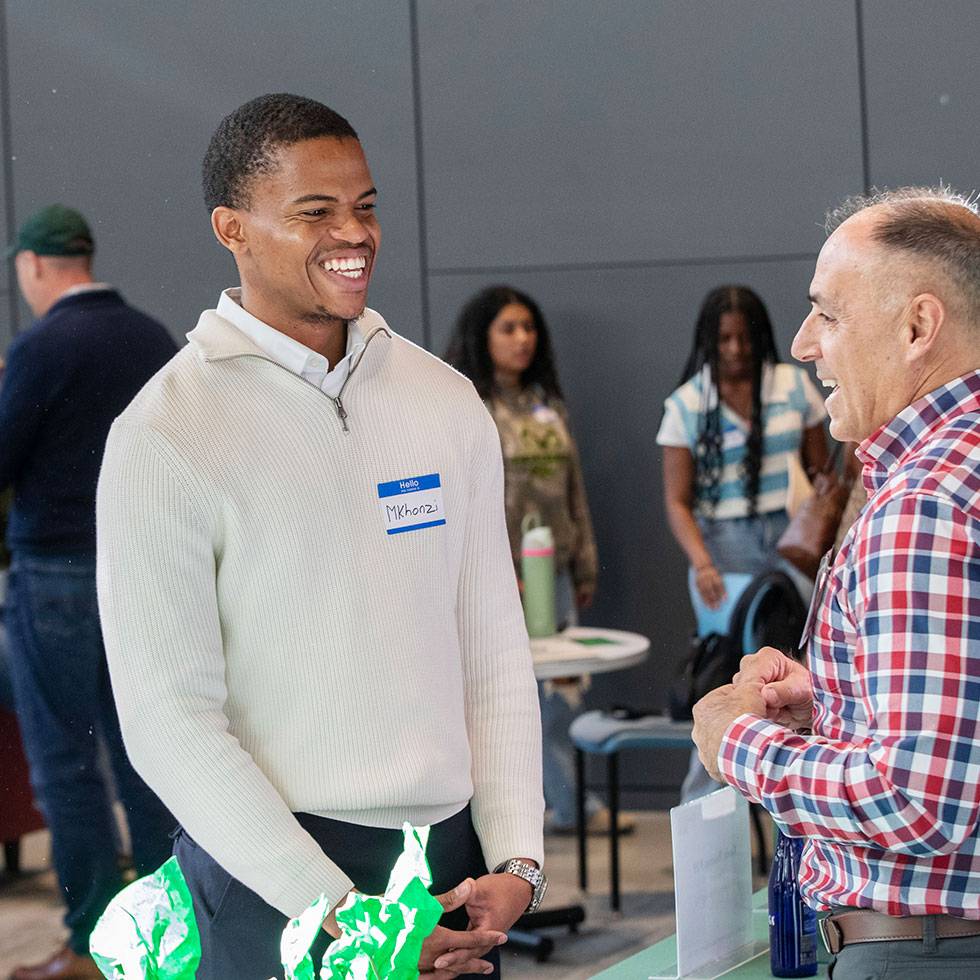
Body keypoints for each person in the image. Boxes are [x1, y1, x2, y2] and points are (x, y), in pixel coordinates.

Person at [96, 94, 545, 980]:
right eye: (316, 212)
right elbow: (167, 721)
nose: (355, 234)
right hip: (280, 885)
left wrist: (517, 860)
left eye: (366, 206)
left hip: (449, 876)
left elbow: (492, 651)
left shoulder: (444, 399)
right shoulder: (164, 435)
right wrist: (338, 911)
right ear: (233, 227)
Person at [692, 186, 980, 978]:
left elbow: (917, 800)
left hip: (926, 949)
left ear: (918, 326)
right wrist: (835, 700)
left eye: (829, 313)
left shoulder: (925, 505)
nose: (803, 343)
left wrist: (737, 744)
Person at [0, 205, 177, 980]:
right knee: (147, 759)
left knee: (65, 766)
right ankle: (172, 934)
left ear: (34, 266)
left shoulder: (40, 346)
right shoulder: (151, 336)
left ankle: (91, 943)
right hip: (142, 572)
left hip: (57, 578)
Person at [445, 287, 624, 836]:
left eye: (529, 327)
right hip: (501, 579)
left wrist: (586, 564)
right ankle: (549, 809)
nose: (523, 339)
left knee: (562, 697)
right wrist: (497, 573)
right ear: (483, 337)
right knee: (514, 702)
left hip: (559, 575)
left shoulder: (550, 406)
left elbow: (575, 492)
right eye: (508, 328)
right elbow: (463, 501)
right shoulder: (465, 406)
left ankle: (562, 804)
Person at [657, 285, 829, 801]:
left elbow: (823, 474)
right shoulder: (688, 403)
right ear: (709, 340)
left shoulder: (793, 388)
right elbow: (677, 500)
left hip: (790, 536)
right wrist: (702, 562)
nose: (735, 348)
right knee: (731, 672)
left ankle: (796, 800)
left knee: (797, 664)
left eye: (744, 337)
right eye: (724, 338)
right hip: (722, 546)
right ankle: (704, 802)